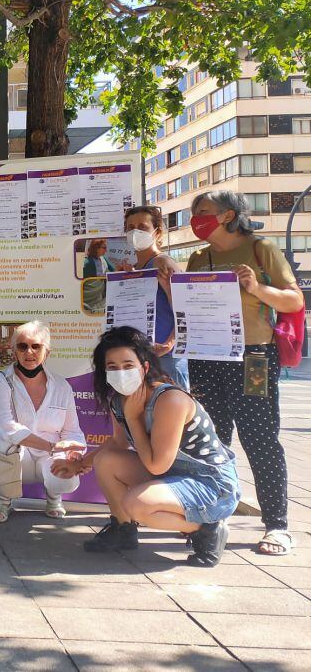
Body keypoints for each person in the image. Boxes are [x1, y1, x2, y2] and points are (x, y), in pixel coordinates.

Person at [185, 190, 303, 556]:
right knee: (209, 441)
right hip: (205, 356)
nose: (196, 219)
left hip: (253, 356)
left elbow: (295, 300)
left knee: (260, 438)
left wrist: (255, 286)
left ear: (228, 215)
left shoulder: (260, 248)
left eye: (203, 212)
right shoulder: (198, 258)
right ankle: (210, 518)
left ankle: (277, 525)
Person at [79, 326, 239, 567]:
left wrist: (134, 419)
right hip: (171, 475)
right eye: (112, 367)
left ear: (144, 367)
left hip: (210, 483)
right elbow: (118, 444)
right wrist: (79, 463)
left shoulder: (169, 400)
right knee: (107, 460)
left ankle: (207, 528)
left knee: (137, 504)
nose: (121, 372)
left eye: (128, 365)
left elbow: (156, 466)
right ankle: (123, 529)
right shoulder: (119, 400)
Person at [0, 321, 85, 523]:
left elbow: (72, 431)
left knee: (65, 479)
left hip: (49, 456)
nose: (29, 352)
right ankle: (3, 500)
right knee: (5, 443)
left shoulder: (62, 386)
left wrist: (74, 452)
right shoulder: (0, 380)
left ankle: (54, 497)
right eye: (22, 346)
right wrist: (52, 446)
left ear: (46, 352)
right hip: (16, 452)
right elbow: (7, 427)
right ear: (14, 351)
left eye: (36, 346)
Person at [123, 205, 188, 390]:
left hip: (165, 356)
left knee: (172, 414)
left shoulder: (162, 262)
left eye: (142, 227)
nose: (135, 231)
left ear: (157, 233)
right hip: (140, 354)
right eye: (130, 227)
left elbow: (186, 307)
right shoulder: (136, 267)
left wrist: (169, 343)